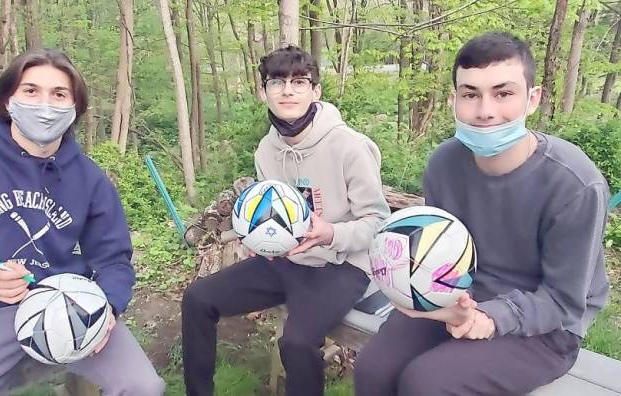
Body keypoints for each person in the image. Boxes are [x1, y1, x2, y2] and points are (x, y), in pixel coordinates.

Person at [354, 31, 610, 396]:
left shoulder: (574, 184)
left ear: (532, 99)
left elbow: (564, 301)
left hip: (546, 327)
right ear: (453, 100)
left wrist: (489, 318)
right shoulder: (444, 164)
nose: (485, 110)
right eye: (470, 94)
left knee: (426, 383)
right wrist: (410, 285)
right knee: (373, 369)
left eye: (503, 93)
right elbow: (435, 248)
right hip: (458, 296)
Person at [0, 49, 164, 396]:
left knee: (144, 387)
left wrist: (108, 306)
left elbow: (114, 260)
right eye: (30, 91)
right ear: (7, 99)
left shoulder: (90, 179)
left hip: (72, 306)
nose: (45, 105)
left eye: (59, 94)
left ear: (75, 107)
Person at [181, 45, 390, 396]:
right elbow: (269, 211)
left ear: (316, 91)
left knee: (295, 343)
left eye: (299, 81)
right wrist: (258, 238)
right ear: (263, 92)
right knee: (198, 299)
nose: (288, 90)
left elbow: (378, 222)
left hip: (341, 266)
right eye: (277, 82)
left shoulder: (349, 147)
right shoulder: (266, 150)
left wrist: (330, 233)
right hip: (286, 260)